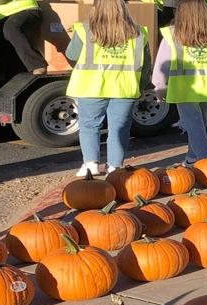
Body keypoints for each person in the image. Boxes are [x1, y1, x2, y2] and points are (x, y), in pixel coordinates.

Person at [65, 0, 148, 176]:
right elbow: (145, 66)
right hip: (125, 88)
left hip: (91, 86)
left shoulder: (84, 29)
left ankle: (91, 164)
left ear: (97, 7)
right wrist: (140, 86)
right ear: (124, 8)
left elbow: (71, 55)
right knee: (119, 128)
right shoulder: (139, 33)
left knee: (89, 126)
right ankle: (115, 166)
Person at [151, 0, 207, 163]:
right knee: (199, 122)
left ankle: (204, 160)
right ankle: (192, 156)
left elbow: (161, 66)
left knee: (193, 124)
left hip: (184, 87)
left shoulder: (172, 34)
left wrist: (160, 88)